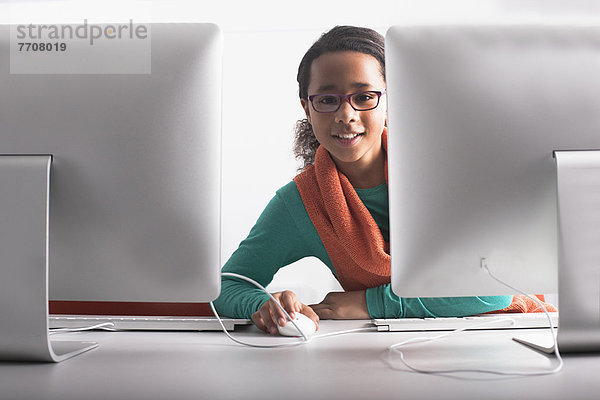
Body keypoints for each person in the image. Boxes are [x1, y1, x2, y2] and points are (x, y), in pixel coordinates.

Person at [213, 25, 513, 335]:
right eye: (328, 100)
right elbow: (227, 286)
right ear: (306, 107)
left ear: (389, 100)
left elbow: (497, 287)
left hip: (499, 337)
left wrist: (368, 304)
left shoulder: (442, 177)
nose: (346, 115)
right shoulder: (302, 203)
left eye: (364, 96)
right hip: (378, 353)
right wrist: (265, 305)